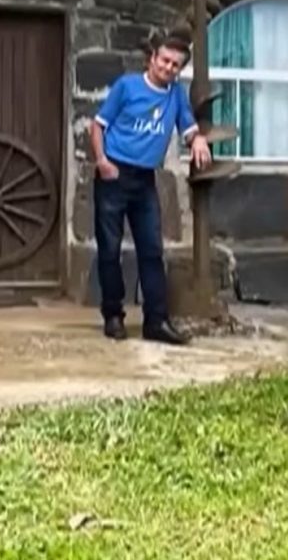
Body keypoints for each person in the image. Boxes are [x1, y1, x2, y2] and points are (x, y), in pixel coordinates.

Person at [90, 35, 212, 345]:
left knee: (152, 251)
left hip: (145, 180)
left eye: (176, 64)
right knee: (110, 249)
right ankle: (113, 316)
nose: (169, 68)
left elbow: (189, 129)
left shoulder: (176, 95)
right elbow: (98, 124)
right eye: (165, 60)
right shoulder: (127, 87)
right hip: (114, 174)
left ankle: (156, 322)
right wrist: (102, 161)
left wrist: (197, 140)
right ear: (152, 58)